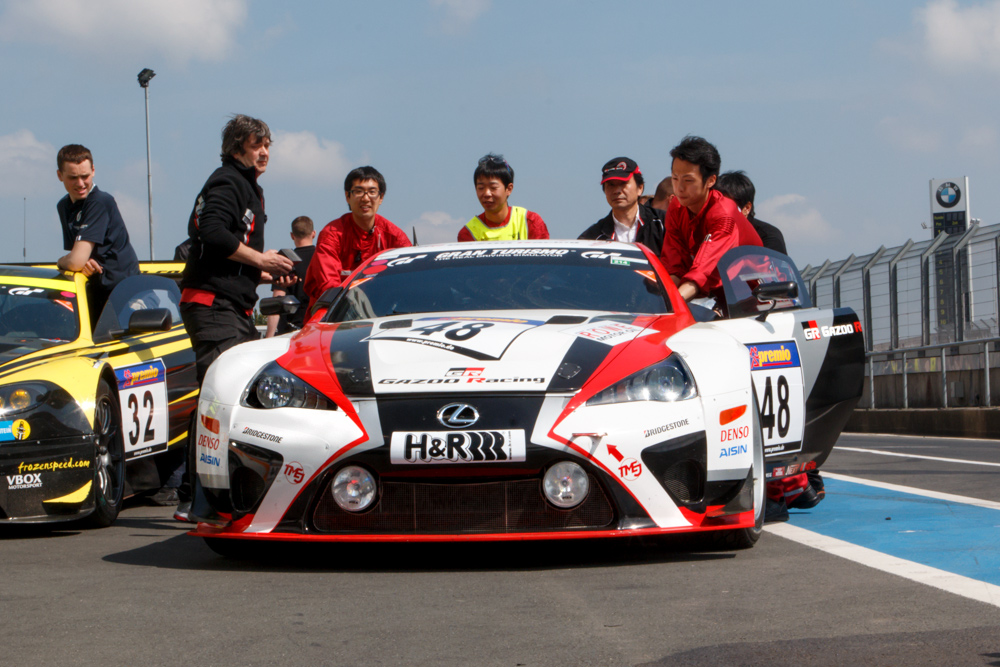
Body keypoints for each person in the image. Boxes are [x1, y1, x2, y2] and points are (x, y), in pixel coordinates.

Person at [172, 115, 293, 517]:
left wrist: (262, 273)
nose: (264, 152)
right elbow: (211, 232)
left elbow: (222, 252)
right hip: (212, 306)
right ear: (236, 148)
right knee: (221, 399)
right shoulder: (229, 180)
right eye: (256, 144)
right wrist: (260, 257)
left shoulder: (246, 185)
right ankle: (201, 499)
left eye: (268, 145)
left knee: (224, 397)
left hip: (226, 304)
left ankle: (196, 495)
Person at [661, 136, 762, 303]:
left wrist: (670, 303)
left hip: (757, 297)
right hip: (718, 298)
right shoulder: (676, 207)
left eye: (688, 180)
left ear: (711, 180)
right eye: (674, 178)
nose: (679, 187)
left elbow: (703, 270)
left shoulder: (724, 214)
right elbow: (674, 265)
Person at [303, 166, 411, 310]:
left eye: (372, 192)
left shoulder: (395, 237)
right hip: (333, 315)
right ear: (347, 196)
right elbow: (328, 286)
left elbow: (411, 279)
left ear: (381, 197)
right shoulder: (332, 235)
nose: (365, 198)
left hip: (383, 316)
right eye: (358, 191)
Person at [55, 144, 140, 320]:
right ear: (59, 176)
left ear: (93, 171)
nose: (80, 184)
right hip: (93, 288)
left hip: (122, 294)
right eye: (73, 178)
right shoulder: (63, 206)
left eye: (85, 176)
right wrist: (79, 261)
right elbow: (79, 259)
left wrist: (63, 261)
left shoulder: (100, 202)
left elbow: (75, 260)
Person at [578, 157, 664, 254]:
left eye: (623, 183)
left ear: (640, 188)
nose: (617, 191)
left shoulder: (663, 224)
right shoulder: (591, 238)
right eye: (611, 185)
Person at [458, 154, 549, 241]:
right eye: (481, 188)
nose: (486, 193)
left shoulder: (531, 222)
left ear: (509, 189)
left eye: (493, 187)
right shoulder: (468, 233)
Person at [265, 216, 316, 337]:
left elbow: (277, 300)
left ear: (292, 235)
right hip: (317, 330)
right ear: (313, 233)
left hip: (289, 333)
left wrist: (269, 336)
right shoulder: (322, 259)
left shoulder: (284, 261)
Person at [715, 170, 787, 255]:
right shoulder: (707, 231)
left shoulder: (768, 237)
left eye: (727, 206)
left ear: (746, 208)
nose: (719, 211)